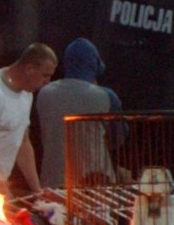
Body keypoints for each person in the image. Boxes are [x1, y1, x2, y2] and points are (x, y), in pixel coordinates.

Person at [0, 42, 57, 195]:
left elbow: (23, 143)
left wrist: (37, 191)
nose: (47, 82)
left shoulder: (26, 93)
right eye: (45, 75)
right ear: (29, 69)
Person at [35, 38, 121, 187]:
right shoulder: (106, 96)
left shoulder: (44, 93)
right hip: (94, 183)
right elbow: (117, 137)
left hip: (52, 182)